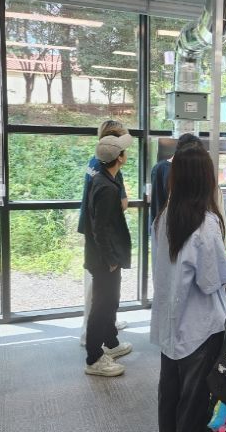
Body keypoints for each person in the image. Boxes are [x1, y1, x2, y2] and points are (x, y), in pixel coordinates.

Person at [151, 144, 226, 432]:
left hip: (171, 322)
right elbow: (212, 280)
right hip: (200, 327)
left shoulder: (164, 216)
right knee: (195, 403)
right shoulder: (206, 223)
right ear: (205, 179)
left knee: (170, 394)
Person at [82, 134, 134, 377]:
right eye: (124, 150)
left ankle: (108, 345)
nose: (126, 153)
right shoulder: (106, 188)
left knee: (109, 302)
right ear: (119, 158)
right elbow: (100, 229)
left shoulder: (103, 179)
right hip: (104, 259)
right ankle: (94, 358)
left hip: (104, 257)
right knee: (102, 306)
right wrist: (111, 259)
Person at [78, 120, 129, 345]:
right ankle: (92, 335)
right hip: (101, 233)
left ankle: (105, 330)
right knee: (102, 291)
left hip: (90, 227)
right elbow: (122, 204)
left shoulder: (94, 160)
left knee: (97, 286)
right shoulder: (109, 173)